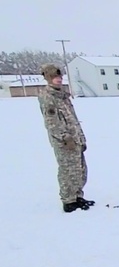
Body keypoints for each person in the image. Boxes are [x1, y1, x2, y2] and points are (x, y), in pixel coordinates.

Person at [37, 63, 93, 212]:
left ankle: (78, 196)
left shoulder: (63, 95)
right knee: (68, 170)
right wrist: (64, 137)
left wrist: (81, 138)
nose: (58, 79)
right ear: (48, 78)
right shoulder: (48, 97)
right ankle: (68, 200)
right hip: (64, 142)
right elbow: (51, 122)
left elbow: (73, 119)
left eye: (59, 76)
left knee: (80, 169)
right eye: (54, 77)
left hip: (75, 139)